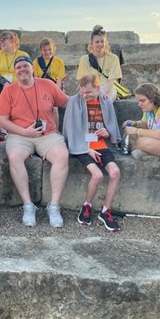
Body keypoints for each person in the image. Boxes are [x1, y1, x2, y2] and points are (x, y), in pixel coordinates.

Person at [0, 56, 69, 228]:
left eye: (25, 66)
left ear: (32, 68)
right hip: (20, 134)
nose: (22, 70)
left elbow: (67, 102)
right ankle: (28, 205)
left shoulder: (47, 84)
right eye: (19, 67)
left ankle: (54, 206)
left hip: (47, 134)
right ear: (15, 72)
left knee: (62, 156)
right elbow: (2, 120)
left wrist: (89, 97)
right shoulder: (9, 90)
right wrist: (24, 131)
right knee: (14, 156)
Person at [63, 75, 121, 231]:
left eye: (88, 92)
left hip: (100, 144)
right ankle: (86, 206)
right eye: (82, 92)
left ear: (98, 88)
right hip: (82, 145)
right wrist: (87, 149)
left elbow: (112, 129)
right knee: (97, 175)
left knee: (115, 172)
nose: (85, 95)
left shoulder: (106, 102)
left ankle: (105, 210)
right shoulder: (74, 102)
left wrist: (107, 132)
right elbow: (71, 131)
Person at [0, 31, 30, 141]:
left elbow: (28, 73)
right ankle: (4, 132)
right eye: (0, 39)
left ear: (13, 41)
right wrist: (4, 82)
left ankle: (19, 130)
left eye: (4, 38)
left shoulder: (23, 55)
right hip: (0, 84)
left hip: (19, 84)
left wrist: (15, 84)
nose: (1, 41)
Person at [77, 25, 122, 101]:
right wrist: (93, 92)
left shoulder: (113, 58)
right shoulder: (84, 59)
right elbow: (83, 80)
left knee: (106, 99)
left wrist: (101, 93)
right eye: (97, 42)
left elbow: (111, 81)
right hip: (89, 88)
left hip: (108, 88)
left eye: (102, 41)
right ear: (91, 43)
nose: (100, 44)